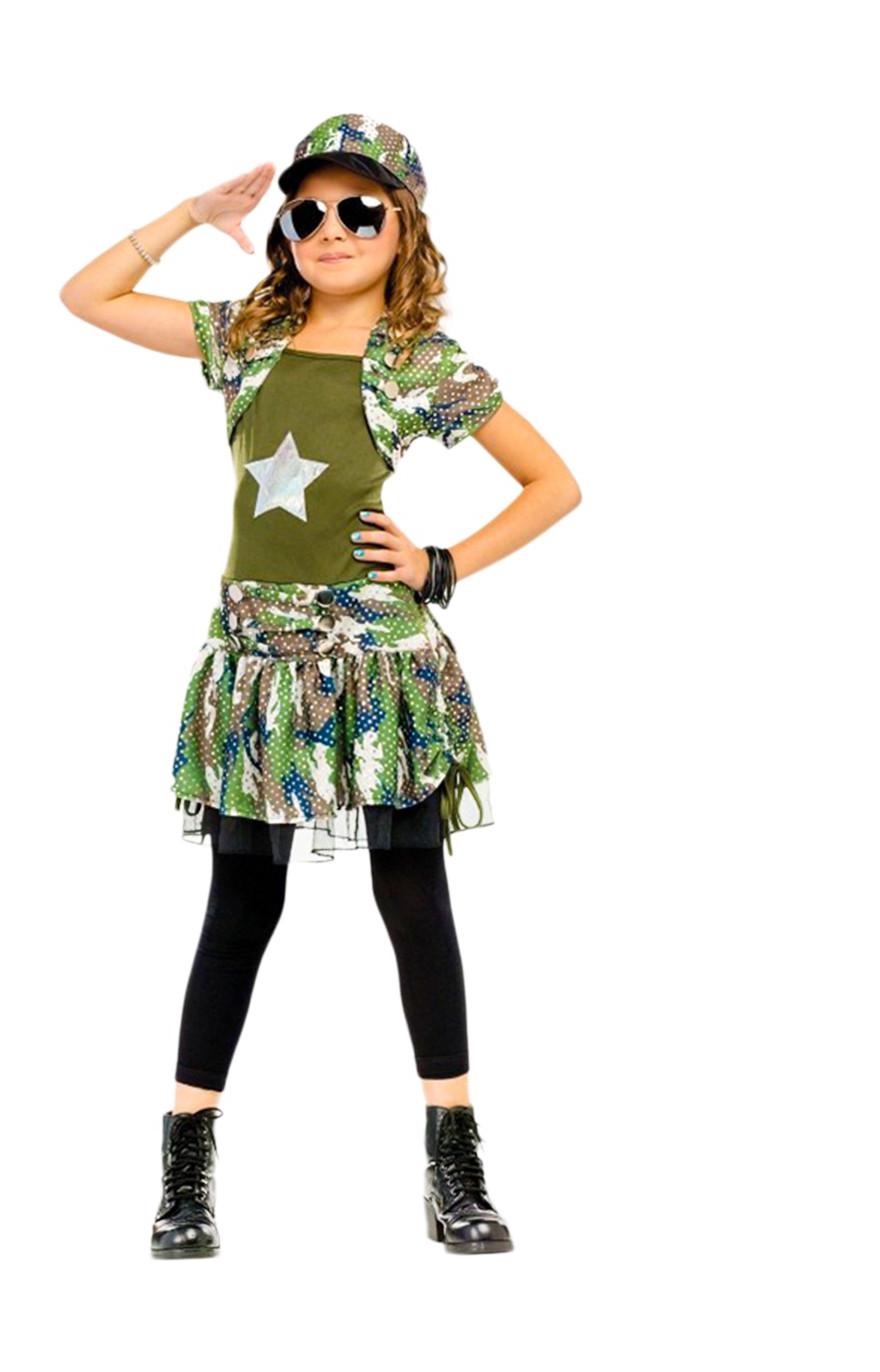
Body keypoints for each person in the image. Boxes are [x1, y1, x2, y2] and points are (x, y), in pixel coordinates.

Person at [59, 114, 582, 1258]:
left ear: (405, 229)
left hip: (380, 670)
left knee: (414, 896)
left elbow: (554, 483)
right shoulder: (246, 339)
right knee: (241, 903)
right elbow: (86, 296)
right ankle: (186, 1167)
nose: (330, 227)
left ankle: (454, 1157)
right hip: (258, 669)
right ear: (285, 231)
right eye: (307, 212)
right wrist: (192, 215)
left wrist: (442, 564)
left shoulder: (421, 363)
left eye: (359, 209)